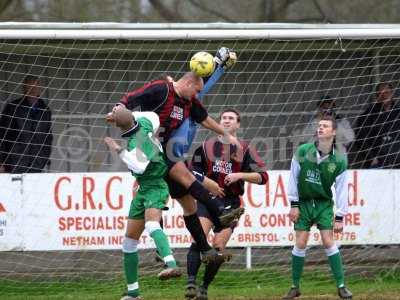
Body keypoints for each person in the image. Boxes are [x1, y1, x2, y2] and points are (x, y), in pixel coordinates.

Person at [107, 67, 241, 263]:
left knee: (189, 205)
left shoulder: (189, 102)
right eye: (196, 91)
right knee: (183, 179)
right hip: (152, 151)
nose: (197, 95)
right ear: (187, 84)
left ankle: (203, 248)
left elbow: (205, 119)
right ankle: (220, 213)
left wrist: (226, 134)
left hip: (168, 153)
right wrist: (118, 109)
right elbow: (131, 97)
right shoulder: (161, 89)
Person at [185, 108, 268, 300]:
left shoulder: (246, 149)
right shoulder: (206, 147)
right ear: (218, 123)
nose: (227, 121)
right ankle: (190, 282)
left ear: (238, 124)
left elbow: (263, 177)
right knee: (199, 238)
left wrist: (240, 175)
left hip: (231, 203)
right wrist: (209, 184)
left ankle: (204, 288)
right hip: (208, 199)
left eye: (231, 118)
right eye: (224, 118)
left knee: (219, 246)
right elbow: (191, 172)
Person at [104, 106, 181, 300]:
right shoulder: (145, 124)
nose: (114, 109)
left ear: (120, 123)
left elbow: (139, 164)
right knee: (129, 242)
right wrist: (124, 113)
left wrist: (116, 148)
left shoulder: (134, 143)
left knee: (152, 224)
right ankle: (133, 293)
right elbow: (152, 115)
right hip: (143, 189)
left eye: (114, 111)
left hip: (155, 186)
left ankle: (171, 265)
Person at [283, 115, 352, 300]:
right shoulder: (303, 151)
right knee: (301, 242)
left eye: (325, 126)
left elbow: (342, 189)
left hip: (323, 203)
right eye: (319, 125)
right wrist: (294, 205)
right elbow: (292, 179)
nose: (320, 128)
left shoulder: (339, 159)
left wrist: (340, 217)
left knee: (329, 241)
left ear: (334, 132)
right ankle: (295, 286)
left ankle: (341, 286)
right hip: (304, 203)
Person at [0, 75, 53, 173]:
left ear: (39, 88)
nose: (33, 90)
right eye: (30, 87)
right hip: (15, 162)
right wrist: (1, 161)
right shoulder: (12, 107)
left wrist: (45, 156)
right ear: (24, 89)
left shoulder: (45, 110)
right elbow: (2, 134)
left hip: (37, 162)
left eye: (35, 87)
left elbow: (48, 136)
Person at [352, 82, 400, 168]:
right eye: (380, 94)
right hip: (377, 163)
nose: (384, 96)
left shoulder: (398, 112)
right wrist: (371, 158)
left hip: (397, 161)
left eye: (386, 93)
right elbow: (361, 138)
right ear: (376, 96)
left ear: (392, 94)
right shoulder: (367, 115)